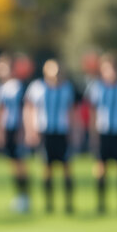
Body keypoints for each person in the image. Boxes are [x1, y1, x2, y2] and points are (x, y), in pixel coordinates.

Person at [24, 59, 79, 214]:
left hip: (62, 131)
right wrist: (30, 130)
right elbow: (29, 109)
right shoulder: (37, 87)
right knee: (46, 167)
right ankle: (49, 204)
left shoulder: (67, 88)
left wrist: (75, 131)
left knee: (66, 166)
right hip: (44, 131)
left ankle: (69, 204)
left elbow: (72, 111)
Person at [86, 53, 117, 215]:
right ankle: (101, 204)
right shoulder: (97, 88)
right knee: (101, 168)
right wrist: (92, 132)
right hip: (102, 132)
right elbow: (93, 112)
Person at [0, 53, 30, 212]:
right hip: (7, 129)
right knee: (13, 164)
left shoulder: (19, 86)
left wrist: (24, 131)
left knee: (20, 163)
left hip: (17, 128)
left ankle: (24, 196)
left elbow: (24, 110)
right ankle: (19, 196)